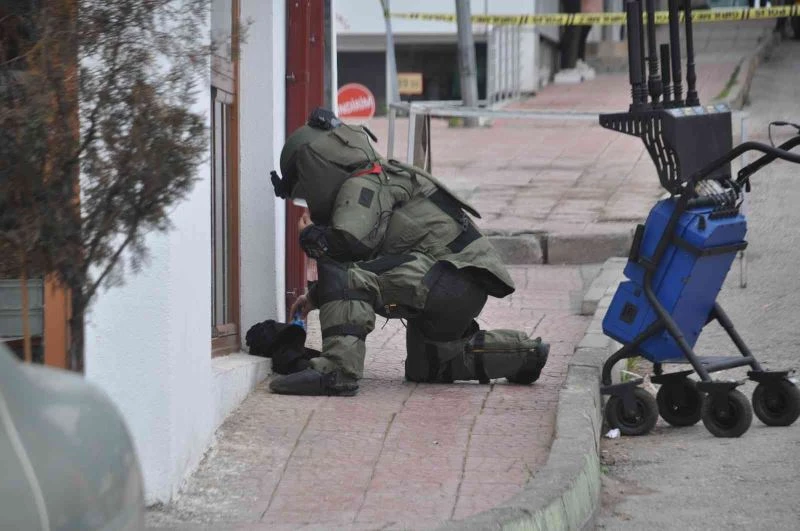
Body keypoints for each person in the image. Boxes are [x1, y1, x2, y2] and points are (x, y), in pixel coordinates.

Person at [268, 108, 549, 396]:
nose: (308, 200)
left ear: (315, 168)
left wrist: (310, 236)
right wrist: (314, 298)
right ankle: (526, 354)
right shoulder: (380, 174)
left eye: (304, 190)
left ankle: (336, 371)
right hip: (459, 285)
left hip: (445, 278)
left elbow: (346, 248)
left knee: (346, 275)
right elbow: (367, 253)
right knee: (429, 367)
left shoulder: (362, 183)